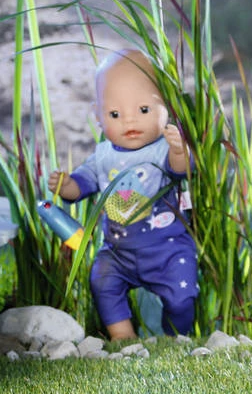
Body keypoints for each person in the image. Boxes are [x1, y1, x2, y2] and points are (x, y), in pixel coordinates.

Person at [48, 49, 198, 339]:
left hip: (167, 249)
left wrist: (180, 150)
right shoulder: (103, 156)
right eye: (115, 114)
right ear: (98, 116)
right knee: (102, 281)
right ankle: (122, 337)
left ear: (166, 107)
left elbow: (182, 170)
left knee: (182, 297)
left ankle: (176, 337)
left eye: (144, 110)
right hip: (118, 252)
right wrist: (66, 186)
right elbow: (82, 184)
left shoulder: (163, 149)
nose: (130, 122)